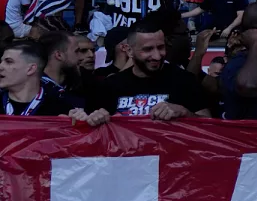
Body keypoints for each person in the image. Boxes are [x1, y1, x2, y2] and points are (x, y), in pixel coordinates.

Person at [74, 21, 209, 125]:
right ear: (129, 51)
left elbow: (210, 127)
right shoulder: (109, 86)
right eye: (148, 49)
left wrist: (185, 113)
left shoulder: (184, 80)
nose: (157, 56)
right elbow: (88, 129)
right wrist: (95, 119)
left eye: (160, 47)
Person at [1, 41, 74, 116]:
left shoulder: (60, 109)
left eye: (9, 62)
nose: (1, 67)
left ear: (31, 69)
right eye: (1, 61)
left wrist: (77, 119)